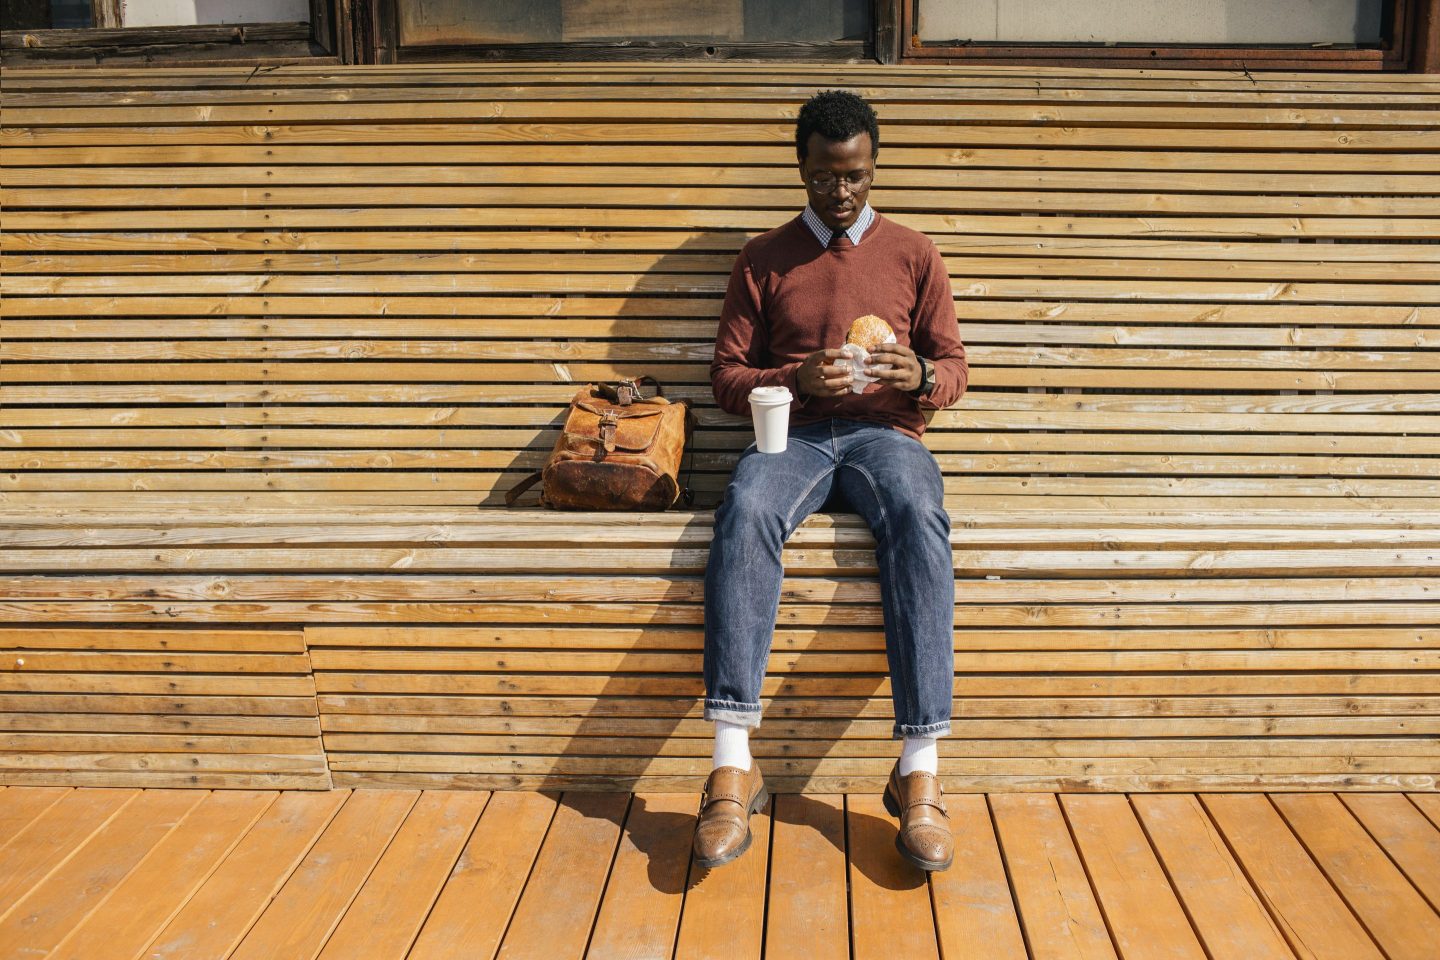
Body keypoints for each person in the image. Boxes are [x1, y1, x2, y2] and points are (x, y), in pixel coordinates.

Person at [692, 90, 969, 873]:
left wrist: (918, 374)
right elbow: (725, 377)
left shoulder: (915, 254)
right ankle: (730, 762)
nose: (839, 193)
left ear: (873, 165)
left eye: (853, 176)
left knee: (920, 515)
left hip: (887, 436)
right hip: (798, 437)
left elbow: (953, 368)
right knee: (744, 508)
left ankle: (920, 773)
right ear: (802, 169)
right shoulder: (764, 257)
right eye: (822, 177)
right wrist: (796, 377)